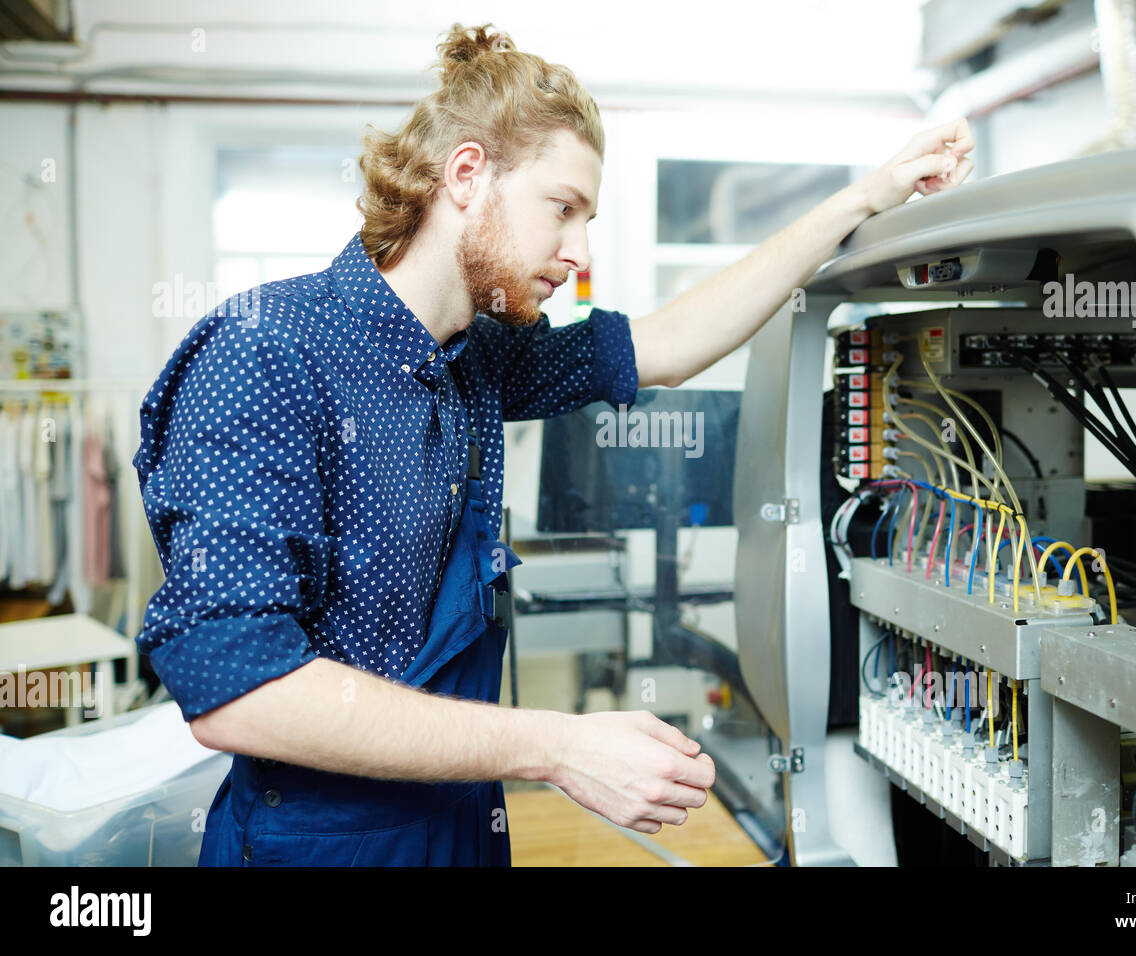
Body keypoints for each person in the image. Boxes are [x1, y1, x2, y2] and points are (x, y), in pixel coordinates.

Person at [133, 21, 974, 867]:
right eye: (561, 209)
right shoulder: (264, 353)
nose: (577, 252)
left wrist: (865, 197)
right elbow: (238, 692)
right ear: (467, 174)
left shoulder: (478, 356)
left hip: (456, 827)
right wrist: (559, 747)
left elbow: (672, 344)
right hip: (314, 849)